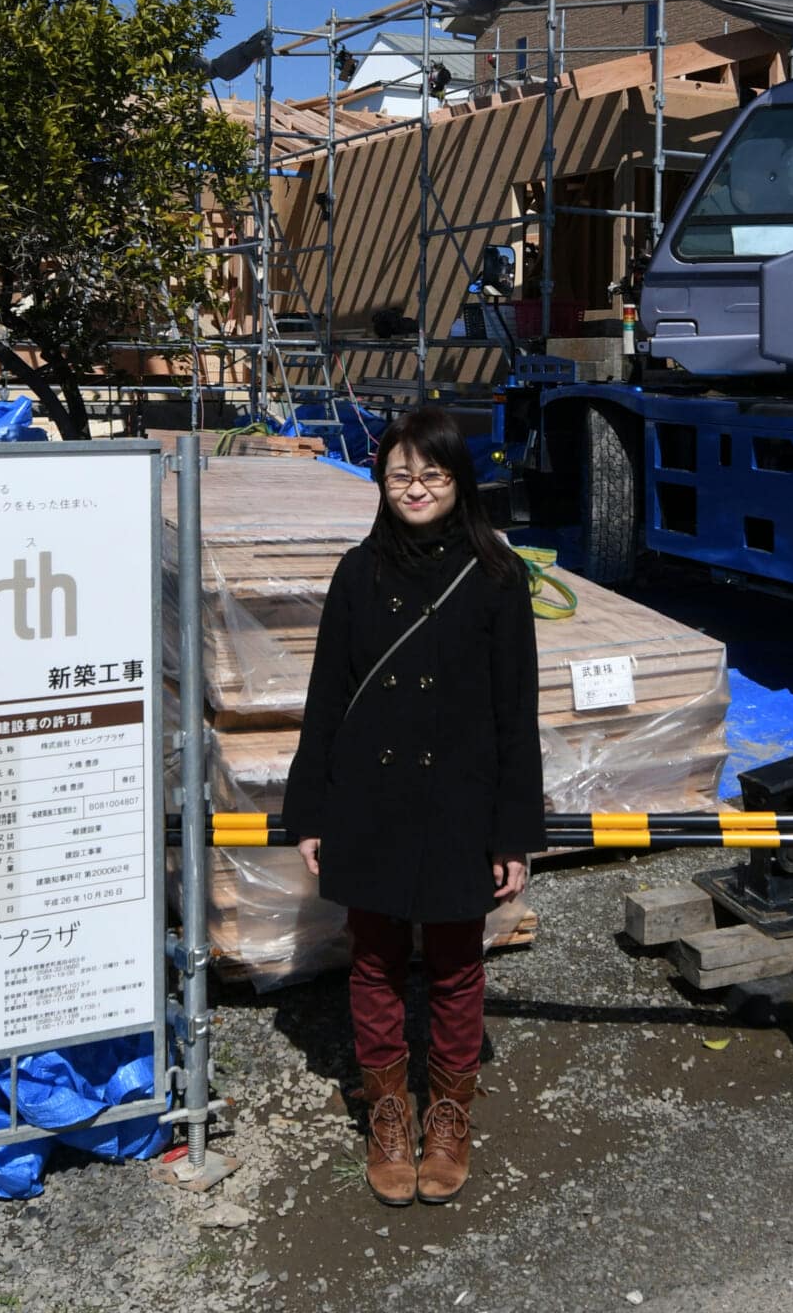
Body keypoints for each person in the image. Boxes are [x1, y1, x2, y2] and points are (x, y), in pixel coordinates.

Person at [283, 407, 545, 1206]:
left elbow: (516, 714)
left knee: (460, 962)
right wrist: (312, 813)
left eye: (432, 474)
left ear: (458, 482)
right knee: (374, 959)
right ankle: (390, 1113)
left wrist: (513, 832)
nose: (416, 488)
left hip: (460, 798)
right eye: (400, 474)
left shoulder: (498, 576)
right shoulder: (357, 572)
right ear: (381, 482)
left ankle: (452, 1112)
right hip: (373, 794)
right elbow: (326, 695)